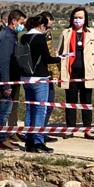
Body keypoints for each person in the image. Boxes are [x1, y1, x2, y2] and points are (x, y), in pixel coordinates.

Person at [56, 7, 94, 138]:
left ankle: (87, 129)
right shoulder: (66, 32)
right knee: (71, 101)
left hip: (88, 73)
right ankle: (70, 128)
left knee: (86, 101)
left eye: (81, 17)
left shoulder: (92, 32)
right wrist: (60, 64)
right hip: (70, 73)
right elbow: (58, 52)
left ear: (85, 19)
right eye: (76, 17)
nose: (78, 20)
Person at [0, 8, 27, 150]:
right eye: (21, 23)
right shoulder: (6, 37)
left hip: (11, 79)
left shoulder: (10, 35)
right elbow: (3, 63)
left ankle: (3, 137)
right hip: (7, 81)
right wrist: (6, 85)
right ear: (14, 21)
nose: (22, 26)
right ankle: (0, 139)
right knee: (5, 110)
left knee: (7, 109)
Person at [19, 14, 53, 153]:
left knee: (30, 109)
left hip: (25, 77)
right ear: (41, 26)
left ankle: (28, 140)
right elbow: (47, 58)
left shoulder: (24, 37)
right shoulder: (40, 38)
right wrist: (61, 58)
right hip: (39, 78)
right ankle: (38, 142)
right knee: (40, 110)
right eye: (46, 26)